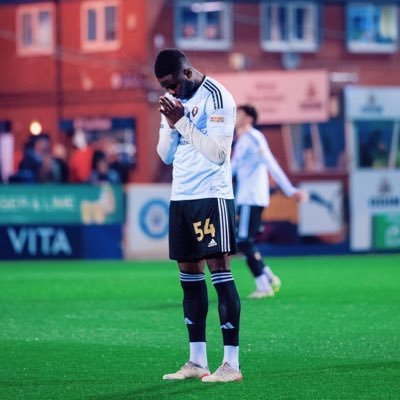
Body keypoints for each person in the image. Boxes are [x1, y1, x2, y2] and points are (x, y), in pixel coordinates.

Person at [155, 48, 242, 383]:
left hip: (211, 196)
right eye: (165, 86)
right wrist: (168, 125)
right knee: (188, 280)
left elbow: (218, 154)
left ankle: (231, 365)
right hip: (182, 197)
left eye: (174, 84)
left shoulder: (218, 98)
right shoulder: (171, 102)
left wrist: (182, 122)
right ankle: (196, 361)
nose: (171, 91)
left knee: (220, 274)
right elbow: (165, 156)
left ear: (187, 72)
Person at [231, 104, 307, 299]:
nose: (235, 117)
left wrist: (290, 190)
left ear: (249, 119)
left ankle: (264, 285)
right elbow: (232, 171)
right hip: (245, 198)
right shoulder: (240, 142)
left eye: (239, 114)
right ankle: (267, 277)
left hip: (252, 198)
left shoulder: (254, 138)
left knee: (244, 242)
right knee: (244, 242)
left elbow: (270, 163)